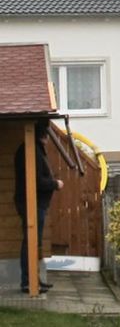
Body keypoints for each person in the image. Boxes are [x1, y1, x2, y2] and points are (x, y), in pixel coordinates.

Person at [14, 119, 64, 294]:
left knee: (33, 243)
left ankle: (34, 280)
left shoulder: (33, 149)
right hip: (31, 204)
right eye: (47, 135)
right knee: (31, 242)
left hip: (34, 203)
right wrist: (55, 184)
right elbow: (36, 181)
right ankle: (28, 282)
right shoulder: (30, 150)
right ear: (43, 135)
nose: (49, 139)